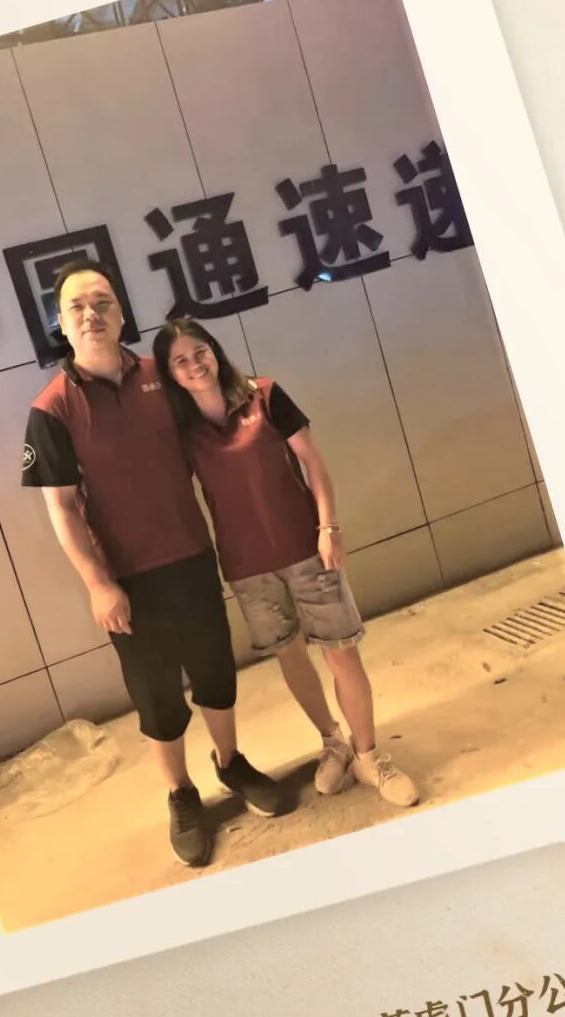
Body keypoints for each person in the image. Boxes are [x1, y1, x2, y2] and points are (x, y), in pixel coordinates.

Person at [21, 260, 288, 870]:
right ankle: (181, 793)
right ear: (60, 322)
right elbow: (61, 507)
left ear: (121, 313)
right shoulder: (52, 408)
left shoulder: (160, 378)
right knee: (157, 696)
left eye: (103, 302)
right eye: (77, 307)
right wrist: (98, 583)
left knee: (215, 672)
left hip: (191, 555)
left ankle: (230, 763)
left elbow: (217, 432)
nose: (91, 315)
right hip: (127, 581)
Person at [153, 317, 420, 809]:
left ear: (214, 350)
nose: (194, 365)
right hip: (247, 567)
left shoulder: (264, 395)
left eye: (200, 352)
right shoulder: (184, 432)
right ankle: (333, 743)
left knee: (341, 653)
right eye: (180, 361)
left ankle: (368, 755)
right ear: (170, 374)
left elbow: (312, 462)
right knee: (290, 656)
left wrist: (328, 527)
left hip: (306, 550)